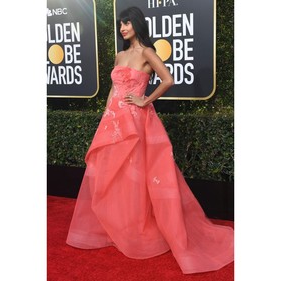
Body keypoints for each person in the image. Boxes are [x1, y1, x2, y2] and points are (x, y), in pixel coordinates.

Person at [66, 6, 234, 274]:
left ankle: (141, 230)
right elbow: (112, 90)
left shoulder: (147, 53)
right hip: (114, 122)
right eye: (121, 24)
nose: (122, 28)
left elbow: (168, 79)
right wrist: (106, 119)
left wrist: (146, 99)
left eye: (127, 23)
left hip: (137, 122)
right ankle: (120, 228)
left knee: (139, 176)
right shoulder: (120, 55)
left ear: (137, 25)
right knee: (114, 176)